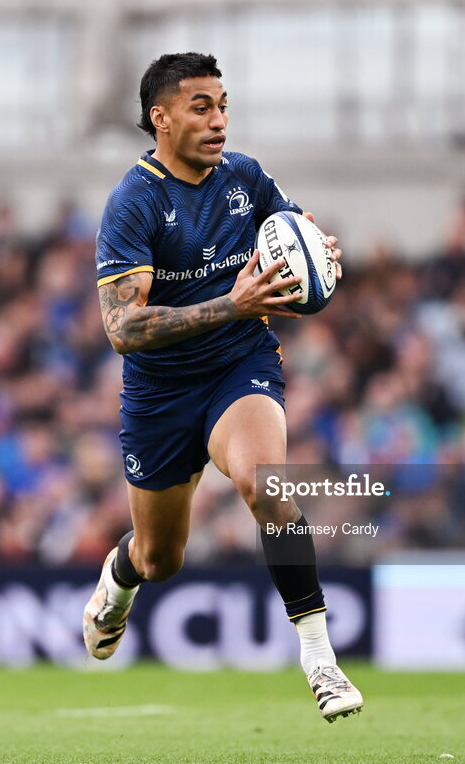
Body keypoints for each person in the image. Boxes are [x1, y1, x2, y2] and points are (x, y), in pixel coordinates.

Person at [84, 53, 363, 722]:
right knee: (161, 559)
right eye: (201, 107)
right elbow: (123, 329)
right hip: (160, 395)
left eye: (223, 105)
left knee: (265, 484)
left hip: (240, 367)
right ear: (162, 118)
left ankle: (320, 661)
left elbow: (293, 236)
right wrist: (232, 304)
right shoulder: (135, 202)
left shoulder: (245, 176)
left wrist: (319, 257)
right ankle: (119, 580)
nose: (218, 121)